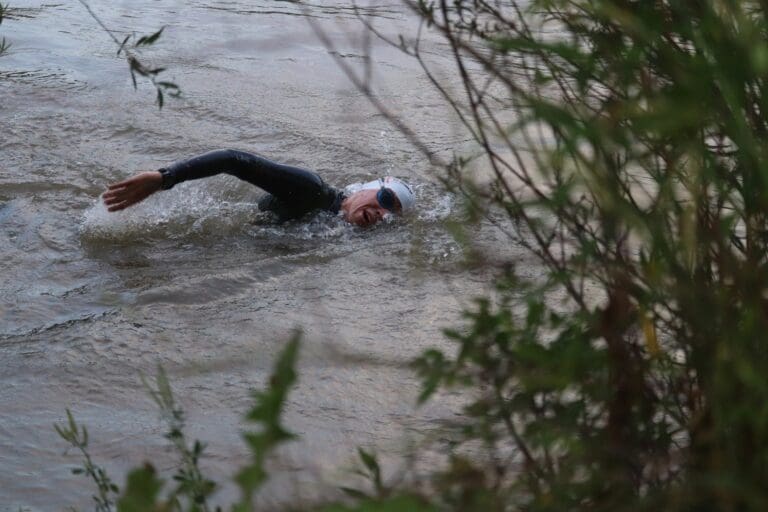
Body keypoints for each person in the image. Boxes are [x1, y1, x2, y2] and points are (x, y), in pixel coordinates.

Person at [102, 149, 415, 227]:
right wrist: (164, 178)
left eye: (391, 213)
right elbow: (233, 160)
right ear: (365, 189)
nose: (381, 212)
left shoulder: (343, 231)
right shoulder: (311, 189)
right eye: (384, 198)